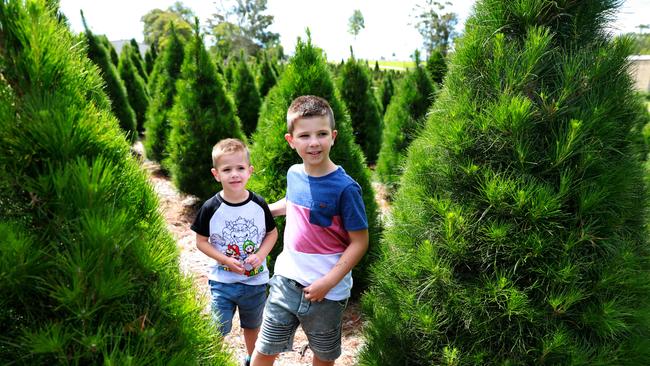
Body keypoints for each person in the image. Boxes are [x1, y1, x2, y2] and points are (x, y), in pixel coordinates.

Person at [251, 95, 369, 366]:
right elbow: (292, 204)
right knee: (265, 346)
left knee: (324, 355)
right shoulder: (294, 173)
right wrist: (261, 209)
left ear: (333, 136)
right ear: (291, 141)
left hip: (328, 293)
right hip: (286, 281)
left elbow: (359, 242)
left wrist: (328, 282)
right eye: (304, 135)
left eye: (322, 133)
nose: (314, 142)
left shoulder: (345, 189)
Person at [191, 138, 278, 366]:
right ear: (216, 174)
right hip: (223, 281)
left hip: (255, 282)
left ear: (250, 171)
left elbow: (272, 233)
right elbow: (201, 241)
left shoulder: (258, 204)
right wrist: (224, 259)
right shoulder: (211, 207)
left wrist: (261, 254)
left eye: (240, 168)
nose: (234, 174)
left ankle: (252, 360)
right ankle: (212, 359)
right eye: (227, 169)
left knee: (252, 325)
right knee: (217, 326)